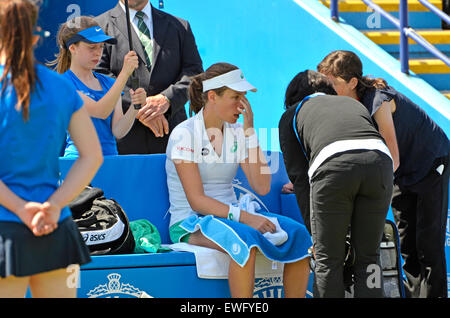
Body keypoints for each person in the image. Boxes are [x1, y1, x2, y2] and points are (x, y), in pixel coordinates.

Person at [165, 63, 312, 298]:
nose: (242, 105)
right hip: (188, 222)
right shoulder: (185, 133)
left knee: (300, 237)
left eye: (243, 97)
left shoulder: (237, 131)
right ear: (212, 96)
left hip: (232, 216)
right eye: (235, 97)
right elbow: (197, 201)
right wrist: (245, 217)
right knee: (246, 240)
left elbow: (262, 186)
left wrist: (249, 131)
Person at [317, 50, 450, 298]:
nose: (327, 90)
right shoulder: (347, 107)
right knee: (408, 247)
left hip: (431, 163)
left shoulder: (378, 99)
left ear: (352, 83)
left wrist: (363, 193)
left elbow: (393, 156)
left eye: (332, 84)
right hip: (402, 173)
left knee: (428, 247)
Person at [0, 0, 103, 297]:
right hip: (57, 229)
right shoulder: (62, 88)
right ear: (35, 37)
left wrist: (22, 209)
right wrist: (54, 206)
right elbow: (92, 157)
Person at [278, 70, 394, 297]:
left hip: (334, 166)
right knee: (369, 258)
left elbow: (301, 181)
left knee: (327, 260)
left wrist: (317, 236)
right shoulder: (353, 105)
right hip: (380, 163)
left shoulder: (291, 115)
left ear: (293, 98)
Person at [95, 0, 204, 154]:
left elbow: (195, 74)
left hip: (173, 138)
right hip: (123, 140)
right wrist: (141, 107)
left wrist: (167, 100)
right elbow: (97, 75)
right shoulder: (98, 27)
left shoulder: (180, 26)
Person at [49, 16, 147, 157]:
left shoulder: (110, 83)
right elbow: (100, 111)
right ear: (72, 48)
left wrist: (135, 107)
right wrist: (125, 73)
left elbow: (118, 131)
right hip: (78, 162)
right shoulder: (62, 84)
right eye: (92, 47)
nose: (98, 53)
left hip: (110, 161)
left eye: (101, 47)